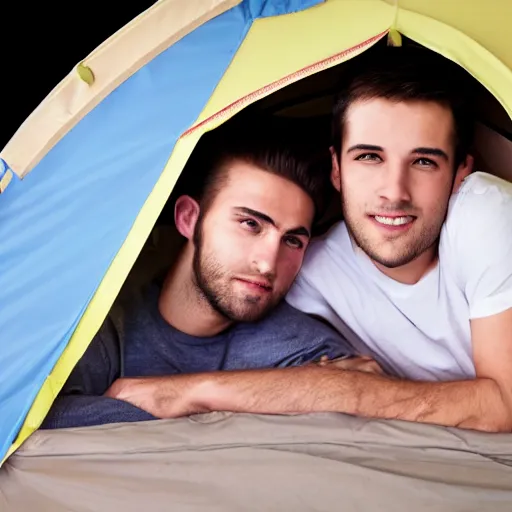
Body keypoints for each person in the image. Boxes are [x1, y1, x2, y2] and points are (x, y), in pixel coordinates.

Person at [105, 46, 512, 433]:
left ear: (460, 172)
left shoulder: (485, 214)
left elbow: (505, 407)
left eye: (423, 161)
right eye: (369, 156)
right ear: (338, 169)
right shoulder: (304, 266)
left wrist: (199, 392)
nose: (394, 191)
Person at [42, 113, 370, 429]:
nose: (268, 263)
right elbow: (34, 423)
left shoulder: (297, 343)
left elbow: (357, 393)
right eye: (250, 224)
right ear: (189, 219)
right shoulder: (102, 325)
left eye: (293, 240)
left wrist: (191, 395)